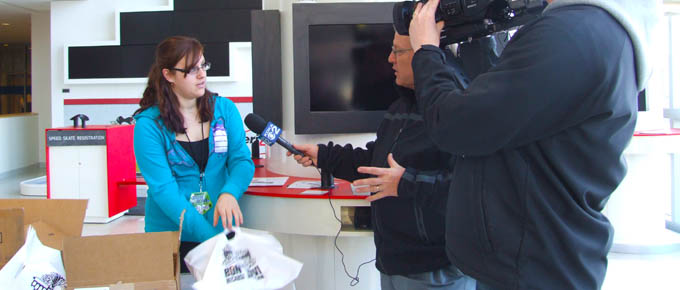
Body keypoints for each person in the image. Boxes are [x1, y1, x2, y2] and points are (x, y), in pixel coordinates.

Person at [408, 0, 658, 289]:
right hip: (537, 259)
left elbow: (456, 126)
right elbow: (502, 115)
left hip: (530, 266)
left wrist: (426, 52)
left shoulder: (571, 35)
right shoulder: (592, 32)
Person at [288, 31, 478, 290]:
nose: (389, 59)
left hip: (435, 269)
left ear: (425, 54)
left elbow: (470, 189)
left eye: (397, 52)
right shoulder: (399, 109)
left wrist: (405, 183)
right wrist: (322, 155)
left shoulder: (455, 109)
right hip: (393, 264)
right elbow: (374, 161)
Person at [133, 36, 254, 272]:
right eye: (191, 70)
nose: (202, 75)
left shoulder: (224, 109)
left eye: (203, 66)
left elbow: (242, 161)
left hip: (221, 230)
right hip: (170, 238)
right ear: (168, 75)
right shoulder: (148, 126)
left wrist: (229, 193)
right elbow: (163, 190)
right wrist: (210, 238)